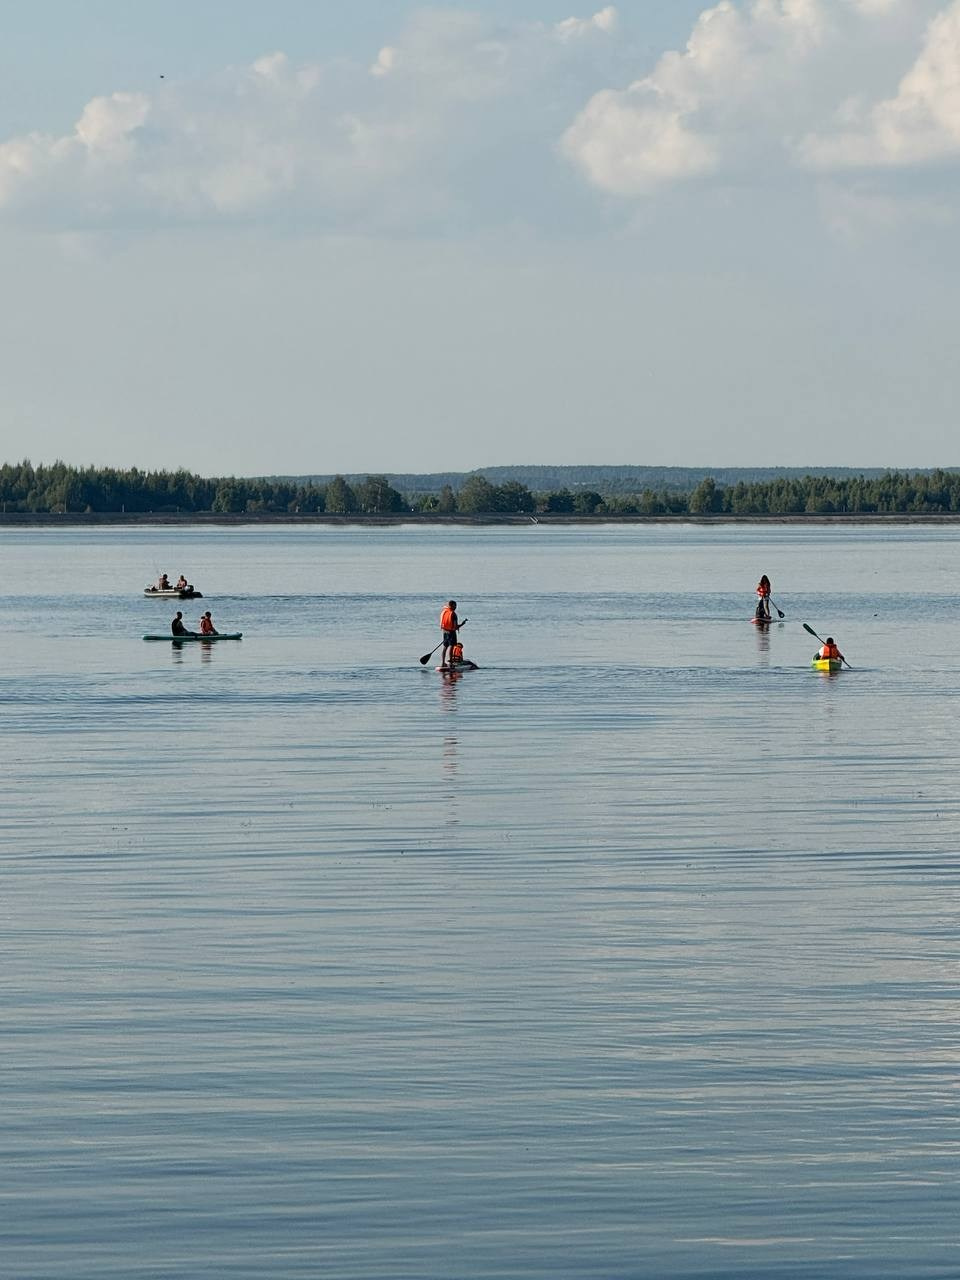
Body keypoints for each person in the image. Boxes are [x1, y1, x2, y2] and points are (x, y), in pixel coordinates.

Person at [439, 600, 460, 670]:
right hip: (451, 632)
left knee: (445, 647)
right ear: (452, 605)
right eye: (455, 605)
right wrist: (462, 624)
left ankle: (442, 663)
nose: (456, 607)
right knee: (451, 646)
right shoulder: (453, 614)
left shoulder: (444, 612)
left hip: (445, 631)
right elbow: (455, 627)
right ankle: (451, 664)